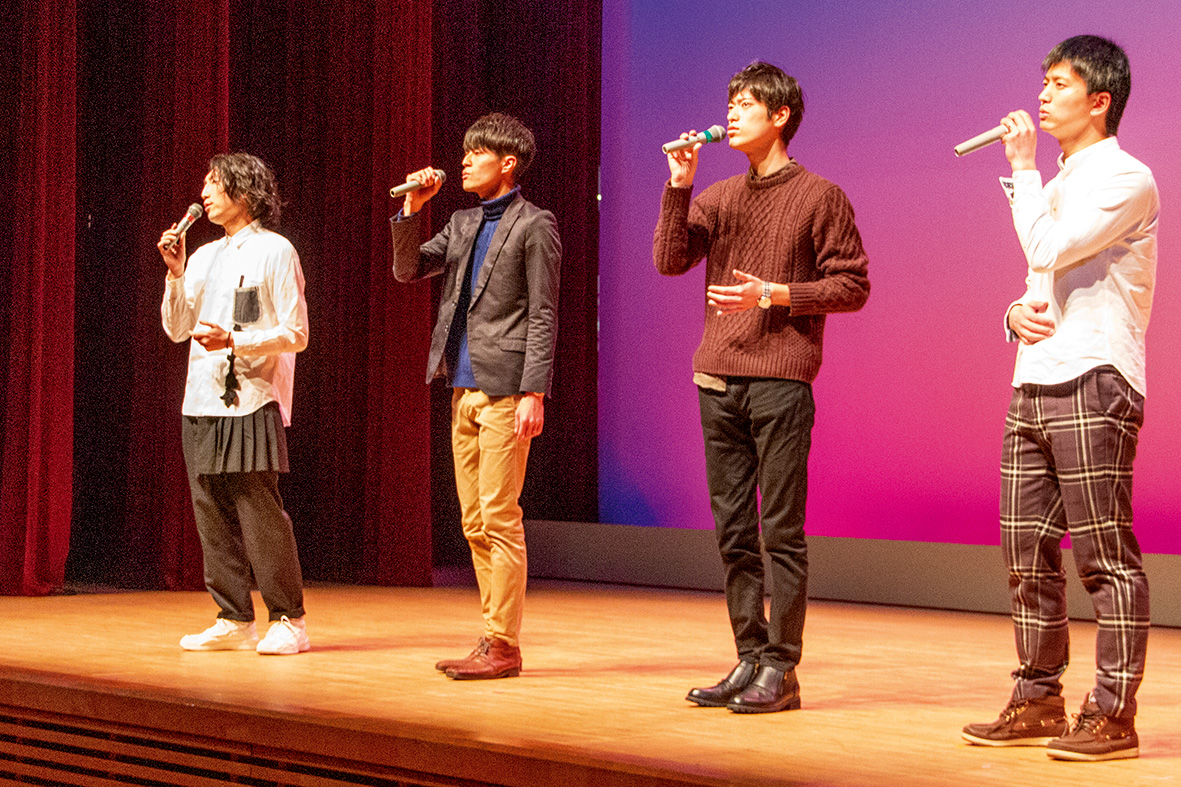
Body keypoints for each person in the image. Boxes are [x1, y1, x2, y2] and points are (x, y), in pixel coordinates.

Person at [961, 35, 1158, 761]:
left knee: (1103, 554)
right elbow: (1037, 280)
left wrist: (1017, 169)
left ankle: (1112, 713)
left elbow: (1046, 249)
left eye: (1058, 83)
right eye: (1041, 81)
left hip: (1093, 376)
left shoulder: (1125, 177)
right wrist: (1009, 316)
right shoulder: (1055, 184)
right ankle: (1038, 694)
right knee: (1023, 550)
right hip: (1034, 378)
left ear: (1098, 99)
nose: (1041, 95)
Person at [653, 61, 870, 713]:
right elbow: (669, 260)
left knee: (779, 528)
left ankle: (781, 666)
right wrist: (679, 185)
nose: (732, 111)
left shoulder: (818, 195)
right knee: (732, 530)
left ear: (779, 117)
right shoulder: (717, 196)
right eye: (730, 101)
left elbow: (852, 285)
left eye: (746, 103)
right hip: (716, 376)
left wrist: (774, 294)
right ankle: (748, 655)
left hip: (778, 378)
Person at [391, 113, 561, 680]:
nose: (463, 161)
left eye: (475, 153)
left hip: (507, 390)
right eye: (463, 153)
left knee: (499, 516)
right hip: (461, 388)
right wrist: (413, 210)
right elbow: (408, 268)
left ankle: (503, 643)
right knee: (472, 522)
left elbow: (543, 313)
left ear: (507, 163)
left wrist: (534, 390)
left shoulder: (535, 225)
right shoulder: (463, 223)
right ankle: (494, 637)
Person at [158, 152, 311, 656]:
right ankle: (233, 616)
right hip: (201, 399)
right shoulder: (203, 256)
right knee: (209, 508)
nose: (204, 193)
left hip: (251, 397)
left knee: (257, 506)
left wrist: (234, 344)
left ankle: (288, 618)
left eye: (215, 184)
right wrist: (176, 274)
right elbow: (178, 330)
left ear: (244, 194)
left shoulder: (276, 251)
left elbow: (296, 334)